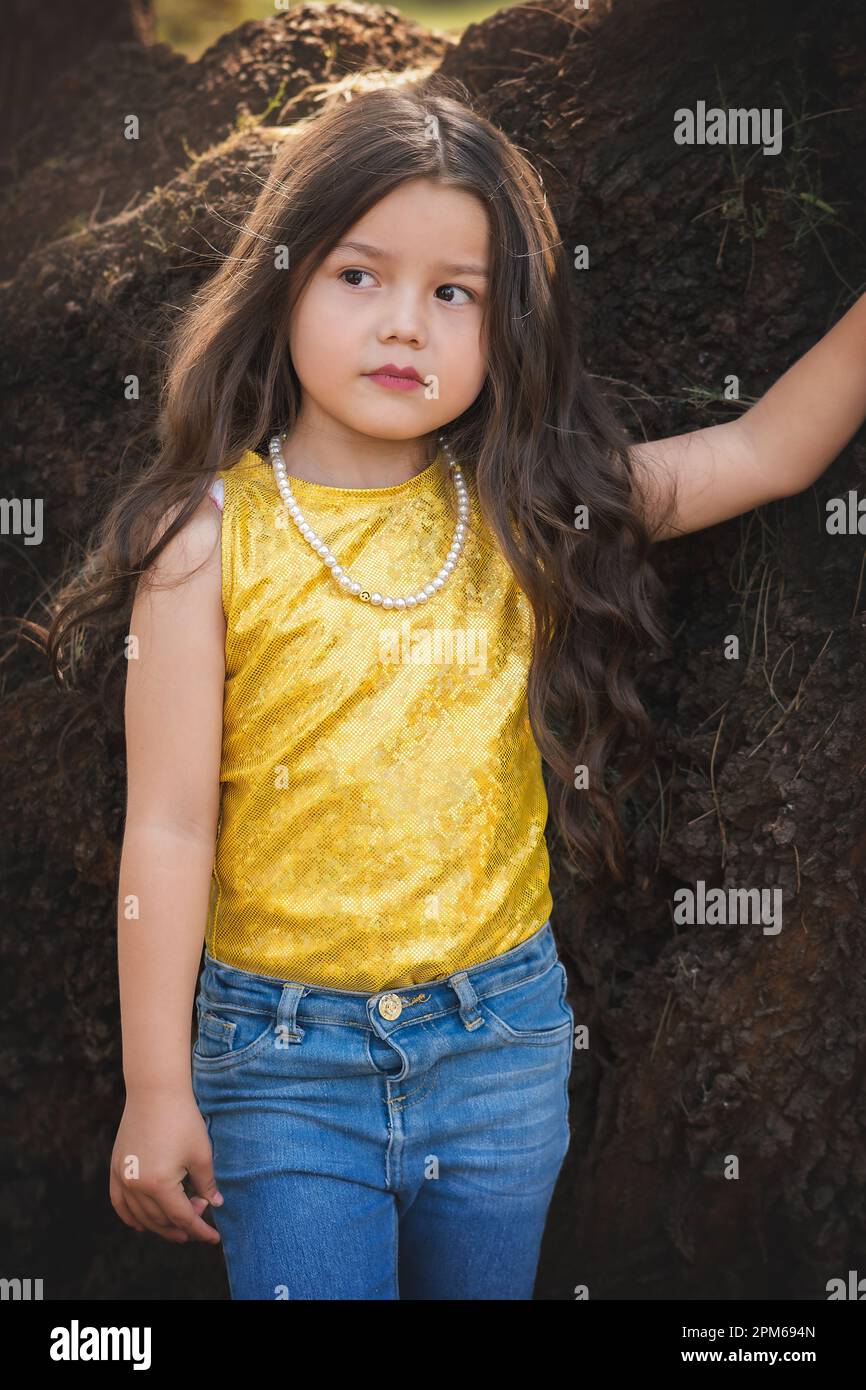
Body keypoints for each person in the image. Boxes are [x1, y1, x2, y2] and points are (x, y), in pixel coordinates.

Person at [46, 74, 866, 1300]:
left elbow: (765, 451)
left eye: (453, 295)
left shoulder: (521, 513)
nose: (402, 327)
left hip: (500, 1054)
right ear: (283, 284)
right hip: (281, 1066)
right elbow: (165, 826)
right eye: (357, 276)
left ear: (504, 329)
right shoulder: (204, 538)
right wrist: (157, 1086)